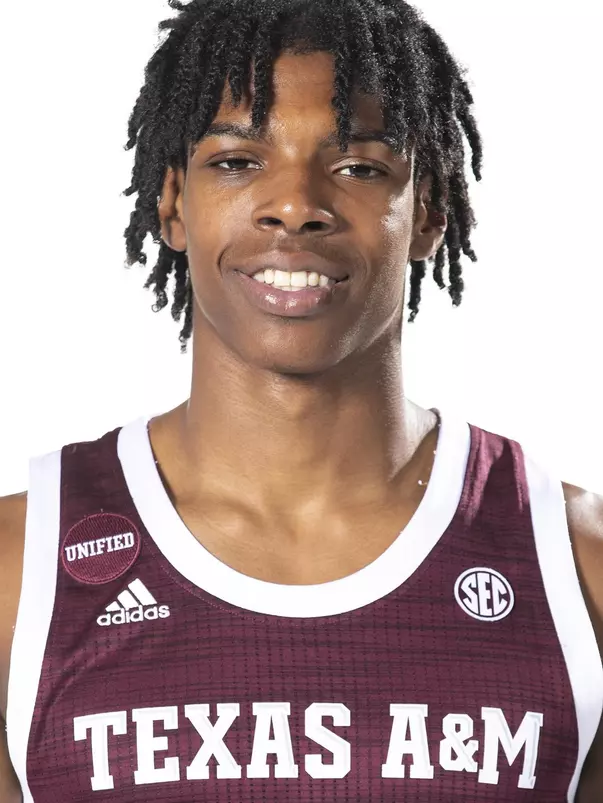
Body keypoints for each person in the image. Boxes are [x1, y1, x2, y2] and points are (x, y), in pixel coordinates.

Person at [0, 0, 602, 799]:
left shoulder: (574, 562)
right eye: (236, 161)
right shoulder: (20, 569)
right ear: (172, 202)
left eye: (358, 167)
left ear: (428, 210)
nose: (294, 205)